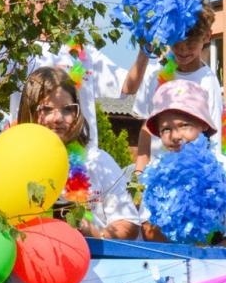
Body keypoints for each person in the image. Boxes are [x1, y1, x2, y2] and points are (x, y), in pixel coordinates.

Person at [17, 66, 139, 239]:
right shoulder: (17, 162)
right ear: (29, 111)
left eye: (67, 109)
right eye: (46, 109)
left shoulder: (96, 160)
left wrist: (95, 233)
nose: (58, 118)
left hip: (92, 254)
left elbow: (128, 223)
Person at [141, 80, 226, 247]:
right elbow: (148, 229)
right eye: (166, 129)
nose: (175, 136)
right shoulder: (156, 172)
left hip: (218, 261)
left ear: (203, 124)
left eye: (184, 125)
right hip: (169, 261)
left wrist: (201, 256)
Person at [124, 1, 224, 170]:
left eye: (190, 44)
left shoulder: (207, 82)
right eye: (177, 43)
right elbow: (146, 127)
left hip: (189, 172)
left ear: (207, 36)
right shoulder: (155, 73)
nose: (183, 50)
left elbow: (213, 141)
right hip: (156, 172)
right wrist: (139, 171)